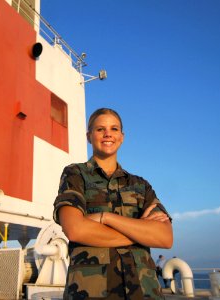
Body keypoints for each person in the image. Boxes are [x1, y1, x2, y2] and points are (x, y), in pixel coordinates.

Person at [53, 108, 173, 299]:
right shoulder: (75, 175)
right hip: (91, 292)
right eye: (100, 129)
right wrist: (141, 231)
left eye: (114, 128)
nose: (108, 133)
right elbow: (76, 230)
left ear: (122, 137)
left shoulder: (141, 185)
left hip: (145, 292)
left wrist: (105, 218)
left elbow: (165, 238)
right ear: (89, 136)